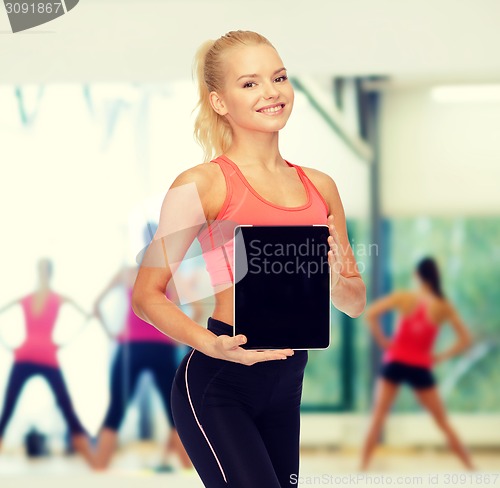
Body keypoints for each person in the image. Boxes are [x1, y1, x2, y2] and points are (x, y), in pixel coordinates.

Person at [132, 30, 366, 488]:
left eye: (278, 77)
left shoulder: (321, 186)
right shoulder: (201, 184)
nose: (271, 92)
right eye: (250, 83)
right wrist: (209, 342)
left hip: (287, 384)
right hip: (221, 379)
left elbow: (355, 303)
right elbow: (146, 294)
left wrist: (334, 281)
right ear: (220, 102)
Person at [91, 223, 193, 471]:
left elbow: (96, 305)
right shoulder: (169, 276)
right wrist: (178, 337)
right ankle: (191, 472)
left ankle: (98, 470)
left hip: (132, 348)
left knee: (116, 409)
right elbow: (194, 309)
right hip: (161, 348)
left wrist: (112, 333)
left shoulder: (128, 273)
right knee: (175, 414)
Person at [360, 256, 475, 471]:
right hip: (420, 366)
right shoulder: (443, 306)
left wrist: (384, 341)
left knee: (377, 418)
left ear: (417, 275)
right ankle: (473, 471)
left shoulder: (405, 298)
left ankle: (360, 472)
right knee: (443, 422)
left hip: (395, 361)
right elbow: (465, 339)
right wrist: (440, 356)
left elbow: (371, 313)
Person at [0, 258, 94, 464]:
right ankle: (93, 461)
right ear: (51, 273)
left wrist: (8, 345)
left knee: (7, 409)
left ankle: (92, 460)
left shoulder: (28, 298)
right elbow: (88, 316)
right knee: (66, 408)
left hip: (25, 355)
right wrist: (64, 342)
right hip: (46, 356)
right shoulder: (58, 298)